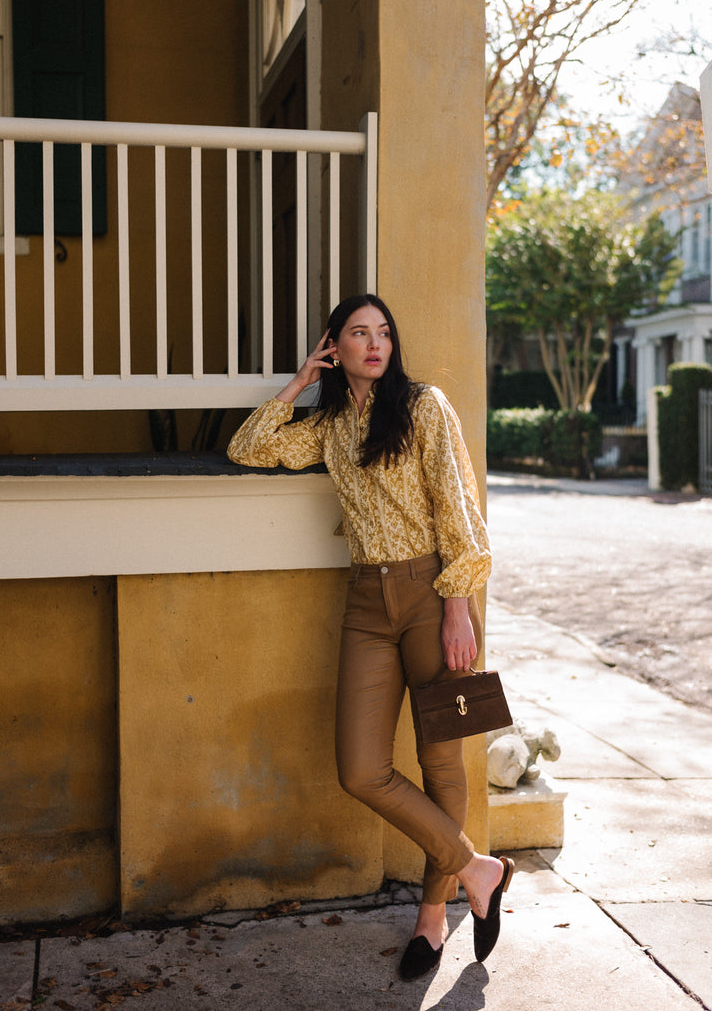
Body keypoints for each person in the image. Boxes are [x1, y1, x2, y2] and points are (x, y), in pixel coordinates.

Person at [227, 294, 514, 981]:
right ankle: (479, 867)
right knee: (360, 768)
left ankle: (431, 918)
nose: (375, 343)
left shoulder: (423, 406)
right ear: (336, 346)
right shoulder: (325, 425)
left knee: (441, 764)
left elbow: (460, 505)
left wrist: (457, 606)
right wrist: (299, 383)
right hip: (365, 601)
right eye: (359, 333)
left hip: (432, 597)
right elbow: (249, 447)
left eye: (384, 330)